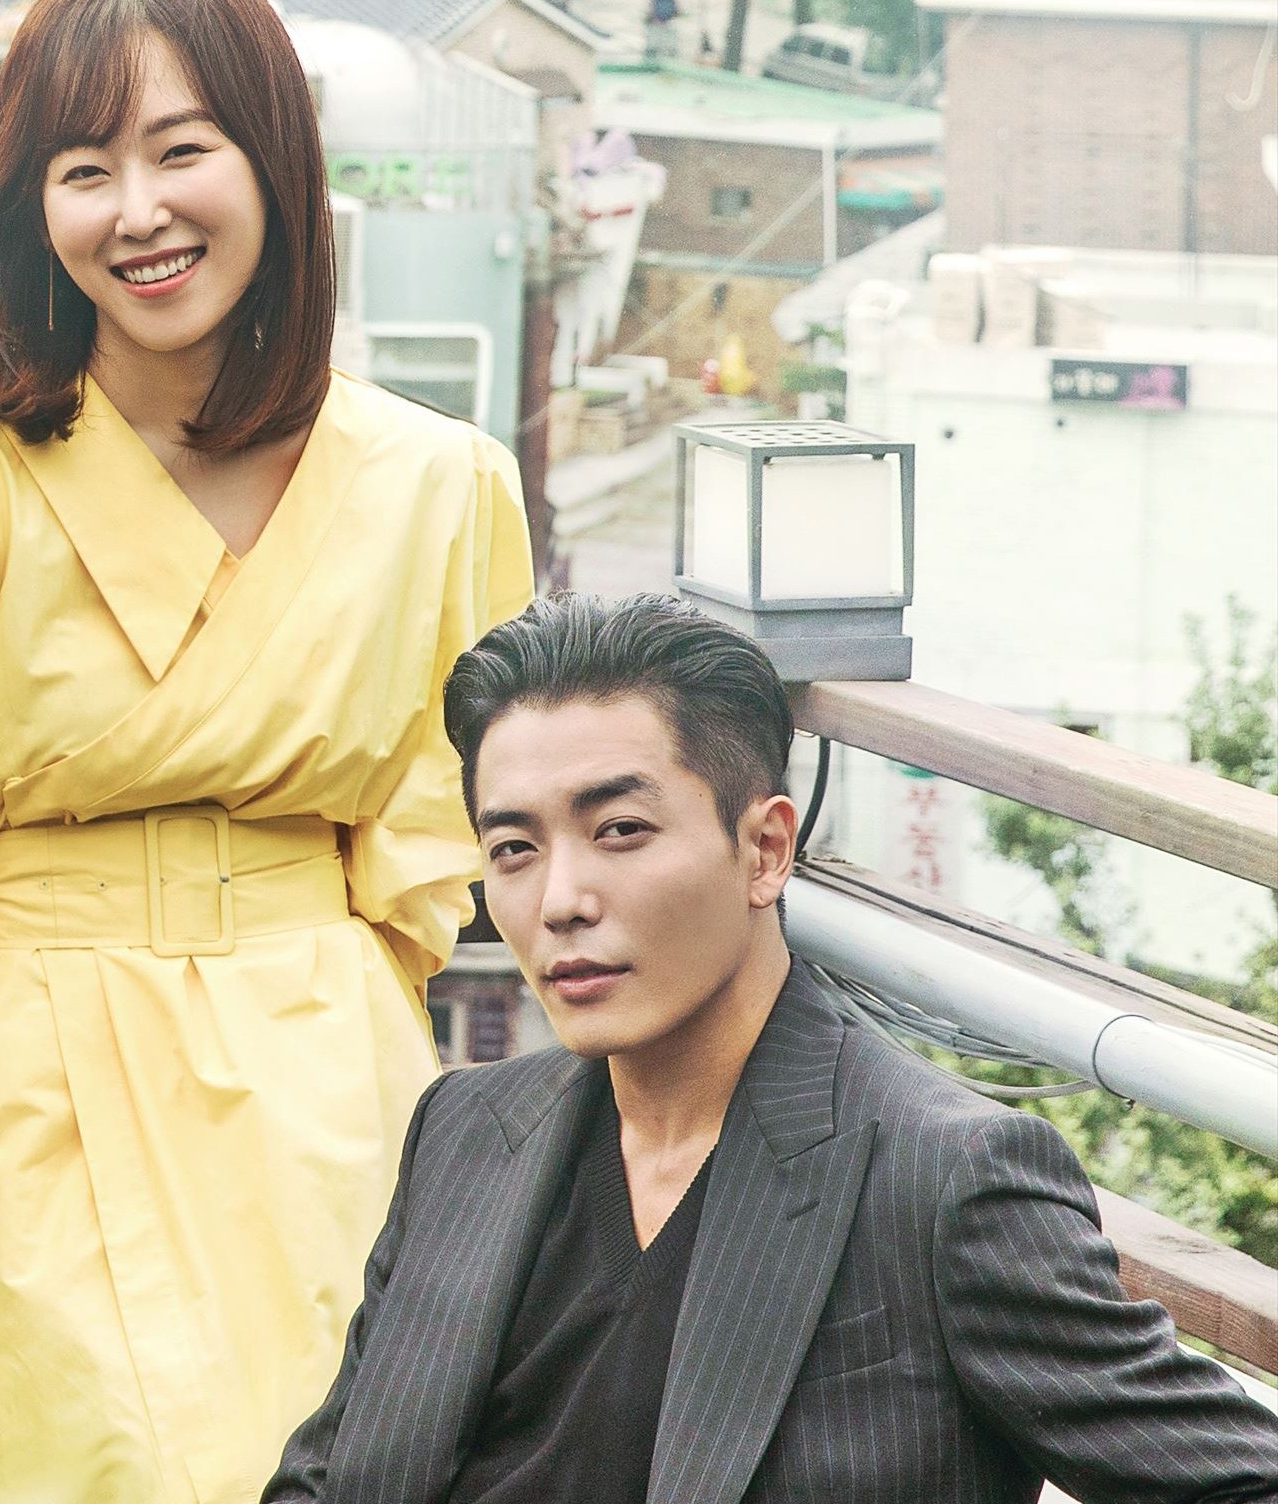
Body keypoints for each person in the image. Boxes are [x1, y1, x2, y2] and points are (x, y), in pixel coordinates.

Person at [0, 0, 534, 1502]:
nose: (138, 212)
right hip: (12, 1099)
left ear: (273, 163)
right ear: (31, 209)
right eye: (84, 170)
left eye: (181, 150)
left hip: (333, 1104)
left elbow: (443, 857)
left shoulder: (440, 485)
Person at [268, 593, 1278, 1504]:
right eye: (514, 849)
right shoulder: (465, 1129)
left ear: (764, 849)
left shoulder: (944, 1180)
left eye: (619, 830)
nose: (560, 900)